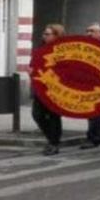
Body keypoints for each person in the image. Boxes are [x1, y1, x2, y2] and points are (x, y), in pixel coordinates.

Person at [31, 24, 65, 155]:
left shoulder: (64, 49)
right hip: (41, 86)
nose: (43, 36)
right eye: (44, 34)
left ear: (56, 36)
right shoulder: (41, 48)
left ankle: (54, 143)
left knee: (53, 116)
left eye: (47, 34)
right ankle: (51, 139)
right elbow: (34, 63)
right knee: (37, 114)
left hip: (56, 88)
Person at [80, 23, 100, 149]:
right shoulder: (85, 46)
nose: (88, 33)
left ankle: (93, 137)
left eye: (92, 31)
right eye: (87, 30)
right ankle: (98, 135)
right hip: (88, 82)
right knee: (92, 112)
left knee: (95, 111)